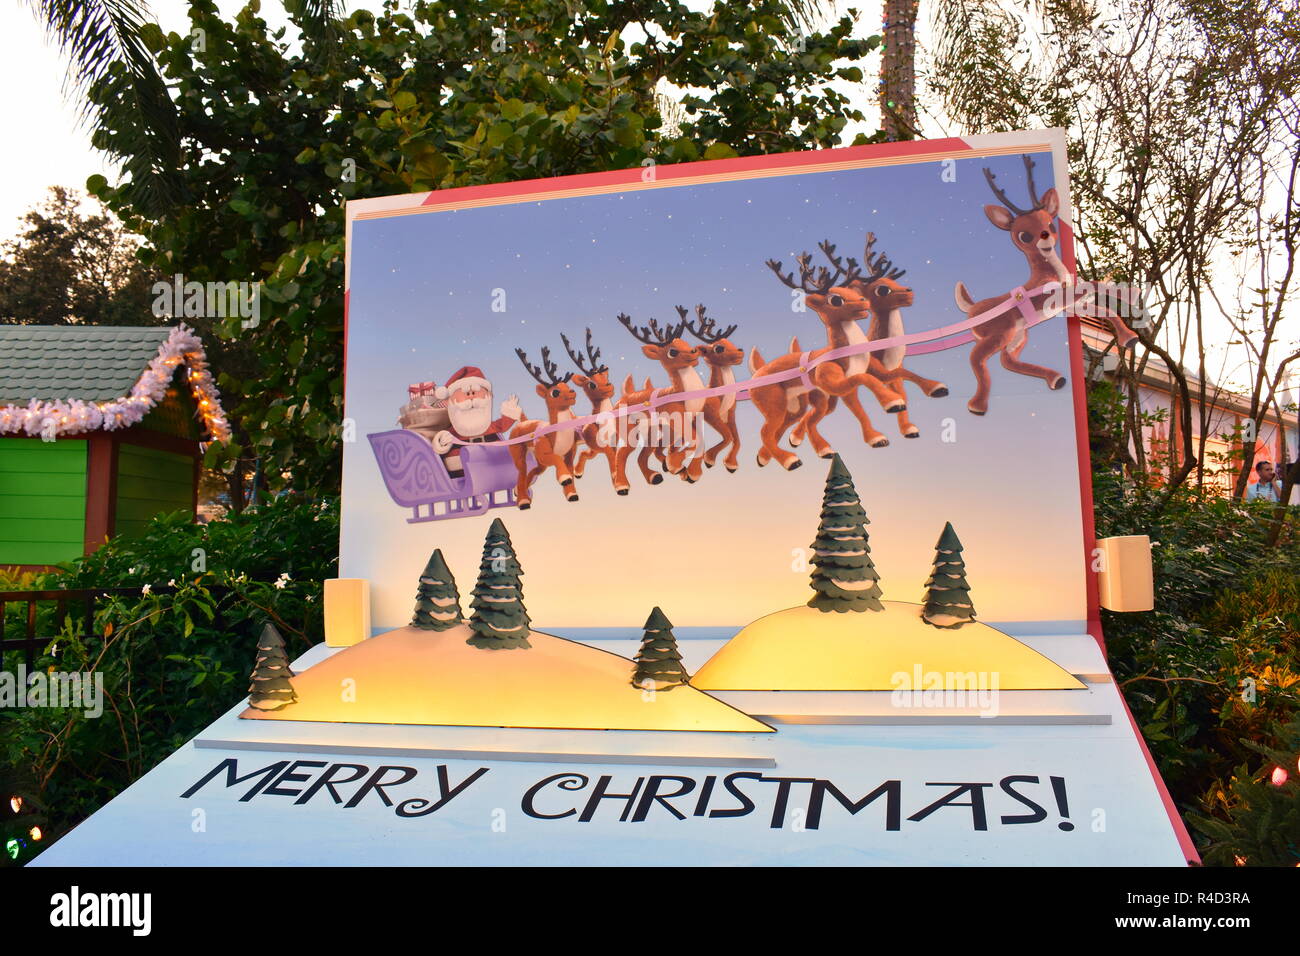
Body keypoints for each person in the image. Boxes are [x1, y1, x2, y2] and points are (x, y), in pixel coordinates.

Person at [430, 366, 523, 474]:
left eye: (476, 391)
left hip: (491, 460)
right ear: (450, 401)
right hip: (461, 465)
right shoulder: (454, 431)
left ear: (489, 396)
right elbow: (440, 445)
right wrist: (442, 442)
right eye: (465, 392)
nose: (471, 396)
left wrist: (510, 411)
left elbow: (502, 425)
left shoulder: (489, 427)